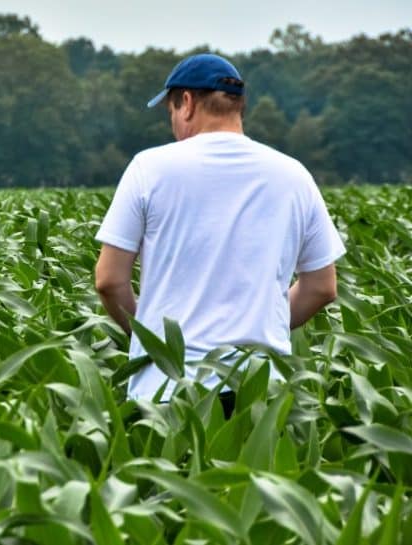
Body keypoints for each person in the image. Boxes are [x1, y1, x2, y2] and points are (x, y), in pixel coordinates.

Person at [93, 53, 345, 412]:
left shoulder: (149, 169)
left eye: (170, 112)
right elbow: (322, 286)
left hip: (169, 390)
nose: (173, 124)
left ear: (186, 103)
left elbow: (108, 280)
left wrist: (150, 340)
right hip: (261, 393)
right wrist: (262, 327)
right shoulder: (294, 176)